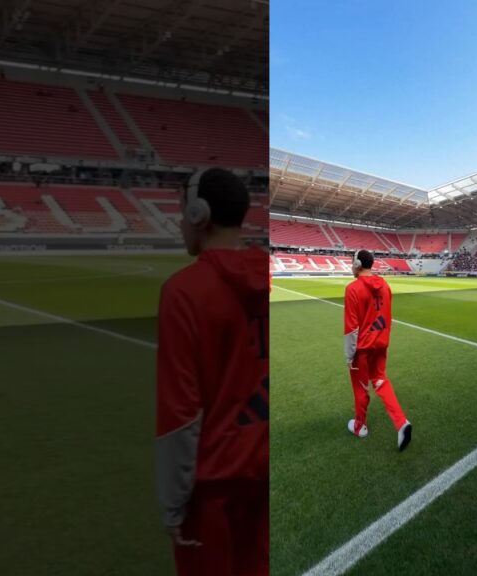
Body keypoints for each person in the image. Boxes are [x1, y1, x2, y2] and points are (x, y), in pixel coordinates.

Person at [155, 168, 268, 576]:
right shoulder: (269, 280)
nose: (181, 221)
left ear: (200, 214)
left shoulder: (184, 291)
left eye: (182, 211)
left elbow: (180, 416)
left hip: (214, 494)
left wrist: (172, 506)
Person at [343, 249, 412, 451]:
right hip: (381, 344)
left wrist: (349, 355)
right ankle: (401, 423)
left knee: (361, 388)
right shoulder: (385, 286)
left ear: (357, 264)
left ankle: (360, 426)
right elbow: (387, 316)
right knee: (381, 381)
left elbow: (351, 328)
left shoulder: (352, 289)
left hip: (362, 348)